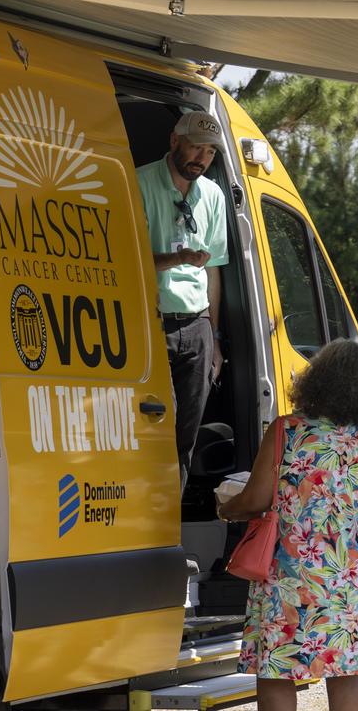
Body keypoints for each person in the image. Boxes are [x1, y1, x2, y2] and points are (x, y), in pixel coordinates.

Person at [217, 339, 358, 711]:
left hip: (289, 571)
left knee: (278, 668)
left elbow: (256, 500)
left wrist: (227, 508)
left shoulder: (285, 430)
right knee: (349, 672)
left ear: (316, 380)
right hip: (350, 572)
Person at [137, 110, 230, 492]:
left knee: (185, 437)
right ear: (175, 141)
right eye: (195, 148)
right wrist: (176, 259)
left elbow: (214, 270)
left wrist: (214, 336)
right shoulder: (138, 182)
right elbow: (127, 260)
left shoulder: (213, 195)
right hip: (151, 321)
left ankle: (168, 522)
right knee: (155, 427)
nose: (201, 159)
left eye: (209, 153)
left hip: (197, 326)